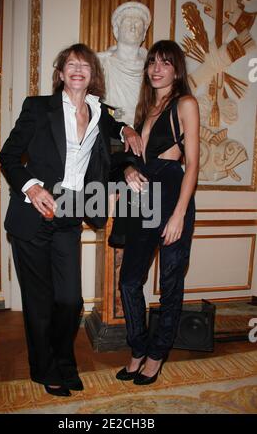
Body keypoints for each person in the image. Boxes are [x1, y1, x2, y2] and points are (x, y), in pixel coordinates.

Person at [0, 43, 141, 397]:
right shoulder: (37, 108)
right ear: (61, 73)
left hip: (70, 216)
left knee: (71, 300)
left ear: (93, 76)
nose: (78, 69)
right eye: (71, 64)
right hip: (33, 215)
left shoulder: (98, 111)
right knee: (40, 301)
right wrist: (32, 188)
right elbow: (9, 156)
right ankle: (48, 368)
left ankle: (62, 360)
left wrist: (126, 131)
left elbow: (114, 131)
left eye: (86, 65)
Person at [115, 40, 200, 385]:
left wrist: (179, 213)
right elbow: (133, 159)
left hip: (170, 194)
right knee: (129, 280)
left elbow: (193, 163)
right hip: (142, 197)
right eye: (152, 62)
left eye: (165, 63)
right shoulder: (144, 110)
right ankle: (138, 348)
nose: (156, 68)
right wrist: (127, 170)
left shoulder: (186, 103)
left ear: (177, 69)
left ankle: (156, 354)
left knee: (170, 283)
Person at [98, 2, 151, 125]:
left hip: (144, 132)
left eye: (138, 23)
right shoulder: (100, 64)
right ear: (116, 30)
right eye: (128, 22)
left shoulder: (152, 68)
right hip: (111, 132)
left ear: (144, 34)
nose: (133, 27)